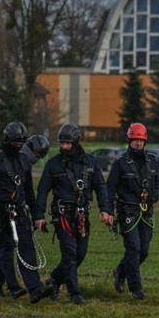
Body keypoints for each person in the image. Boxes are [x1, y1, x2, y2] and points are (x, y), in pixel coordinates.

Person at [35, 123, 112, 305]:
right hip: (62, 215)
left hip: (82, 216)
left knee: (80, 254)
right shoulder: (53, 165)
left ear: (76, 142)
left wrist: (105, 210)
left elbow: (101, 187)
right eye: (62, 143)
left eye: (68, 143)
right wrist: (38, 215)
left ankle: (54, 280)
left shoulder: (90, 163)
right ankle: (74, 293)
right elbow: (42, 191)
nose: (64, 147)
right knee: (70, 254)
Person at [0, 122, 55, 304]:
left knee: (27, 247)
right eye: (15, 143)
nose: (18, 147)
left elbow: (29, 190)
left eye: (21, 144)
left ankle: (35, 288)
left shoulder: (22, 161)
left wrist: (38, 215)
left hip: (18, 211)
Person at [106, 122, 159, 300]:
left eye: (141, 140)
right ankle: (136, 288)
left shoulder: (152, 161)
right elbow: (110, 189)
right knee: (134, 249)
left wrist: (154, 196)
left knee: (144, 251)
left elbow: (157, 182)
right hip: (127, 211)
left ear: (145, 141)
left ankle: (121, 271)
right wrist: (108, 212)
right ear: (130, 140)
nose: (138, 143)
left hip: (146, 212)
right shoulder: (120, 163)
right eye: (135, 140)